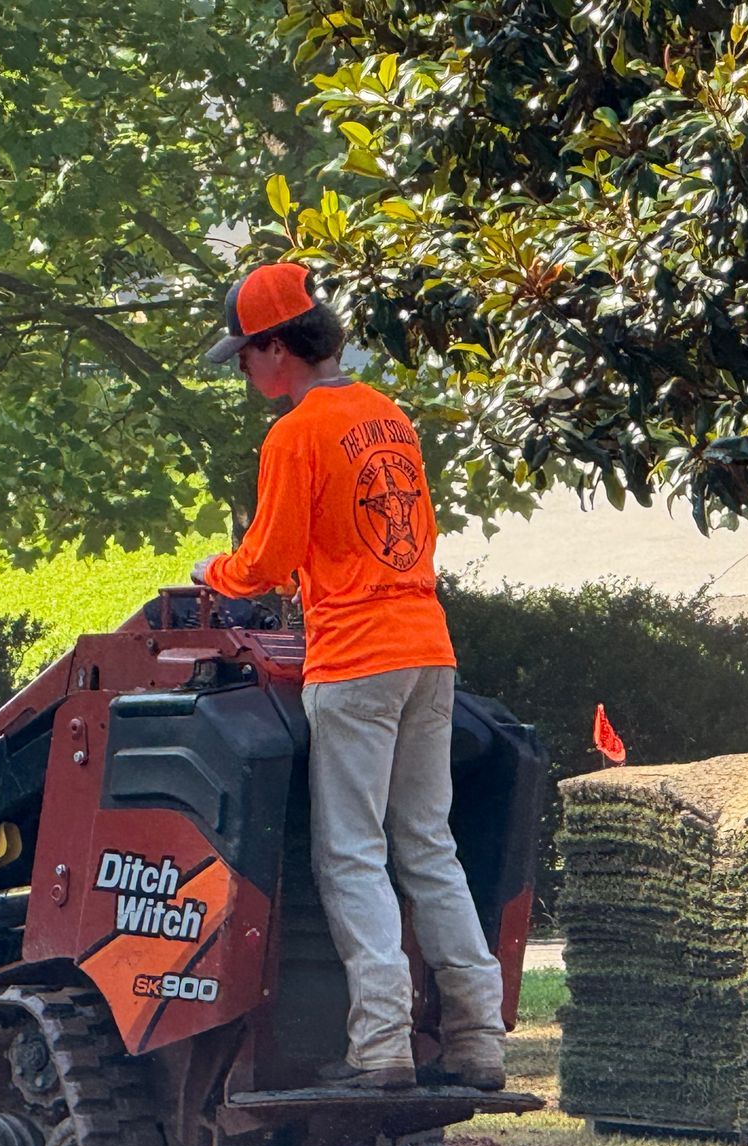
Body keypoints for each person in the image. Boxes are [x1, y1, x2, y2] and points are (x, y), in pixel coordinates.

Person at [192, 261, 505, 1092]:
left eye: (247, 357)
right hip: (428, 650)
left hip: (357, 660)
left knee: (353, 854)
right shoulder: (388, 416)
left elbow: (266, 561)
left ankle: (381, 1049)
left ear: (274, 349)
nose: (246, 374)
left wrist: (211, 569)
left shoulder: (295, 434)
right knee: (429, 848)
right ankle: (479, 1039)